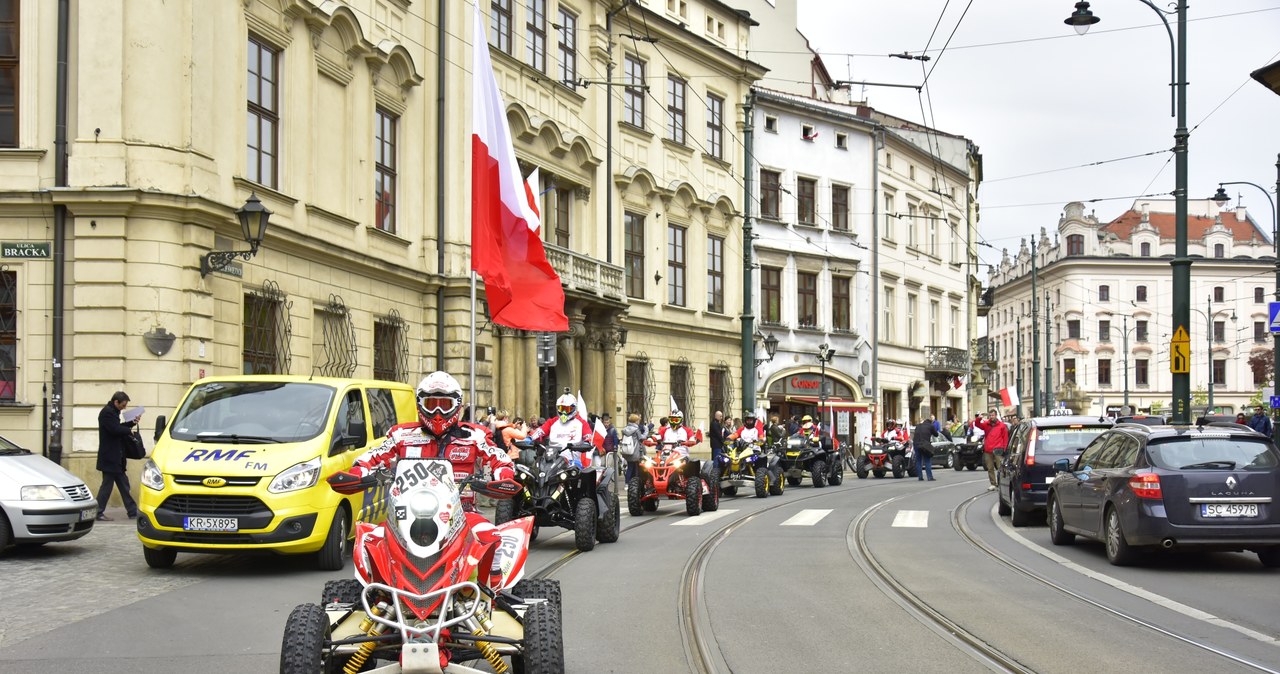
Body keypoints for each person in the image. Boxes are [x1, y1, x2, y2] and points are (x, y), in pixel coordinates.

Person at [328, 372, 517, 512]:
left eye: (444, 406)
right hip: (407, 512)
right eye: (430, 404)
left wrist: (503, 477)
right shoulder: (401, 435)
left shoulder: (474, 435)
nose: (437, 413)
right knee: (369, 543)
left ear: (456, 405)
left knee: (491, 542)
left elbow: (500, 459)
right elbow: (371, 457)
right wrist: (357, 474)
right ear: (420, 404)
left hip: (463, 512)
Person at [96, 391, 140, 521]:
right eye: (123, 405)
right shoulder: (107, 413)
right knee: (107, 487)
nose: (124, 407)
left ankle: (132, 511)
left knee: (123, 484)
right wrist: (129, 431)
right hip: (110, 457)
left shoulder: (112, 412)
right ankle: (98, 512)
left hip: (115, 457)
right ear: (116, 402)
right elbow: (114, 430)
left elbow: (117, 427)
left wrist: (131, 423)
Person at [529, 390, 594, 468]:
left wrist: (586, 444)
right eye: (561, 408)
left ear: (573, 408)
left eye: (567, 409)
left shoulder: (581, 423)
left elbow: (588, 437)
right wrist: (529, 439)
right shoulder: (552, 422)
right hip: (551, 460)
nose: (563, 412)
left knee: (581, 474)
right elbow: (538, 432)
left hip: (572, 461)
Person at [975, 409, 1010, 491]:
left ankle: (1001, 483)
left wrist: (1005, 449)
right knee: (990, 467)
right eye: (990, 415)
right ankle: (993, 484)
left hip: (998, 449)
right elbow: (977, 424)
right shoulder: (986, 424)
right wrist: (979, 418)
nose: (991, 417)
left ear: (996, 415)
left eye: (993, 415)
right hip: (988, 449)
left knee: (999, 467)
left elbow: (1005, 438)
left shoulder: (1002, 425)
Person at [620, 413, 646, 482]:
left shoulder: (625, 429)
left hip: (627, 451)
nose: (638, 421)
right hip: (635, 451)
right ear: (636, 421)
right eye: (638, 420)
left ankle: (627, 483)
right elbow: (641, 438)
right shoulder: (636, 429)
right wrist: (646, 431)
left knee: (630, 467)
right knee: (636, 468)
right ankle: (634, 483)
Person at [913, 412, 937, 481]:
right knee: (927, 460)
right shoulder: (931, 426)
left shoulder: (918, 426)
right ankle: (929, 477)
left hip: (916, 444)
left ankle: (920, 477)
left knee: (918, 461)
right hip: (925, 444)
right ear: (931, 422)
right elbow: (936, 435)